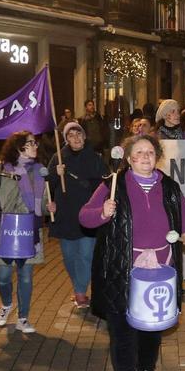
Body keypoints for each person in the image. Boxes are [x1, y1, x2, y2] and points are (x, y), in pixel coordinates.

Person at [79, 135, 185, 371]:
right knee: (121, 327)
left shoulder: (168, 186)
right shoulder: (113, 185)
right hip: (123, 267)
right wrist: (103, 212)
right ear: (129, 158)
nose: (145, 157)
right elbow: (85, 216)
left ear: (157, 156)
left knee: (152, 326)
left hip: (160, 265)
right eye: (139, 152)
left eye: (150, 152)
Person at [0, 131, 55, 334]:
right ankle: (6, 304)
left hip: (29, 229)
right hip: (4, 229)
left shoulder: (39, 171)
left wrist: (47, 207)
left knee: (26, 277)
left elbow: (41, 205)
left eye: (35, 142)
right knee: (3, 276)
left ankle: (23, 318)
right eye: (30, 143)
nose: (35, 146)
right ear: (17, 147)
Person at [47, 122, 108, 308]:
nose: (76, 138)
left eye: (79, 134)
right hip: (66, 215)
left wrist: (89, 186)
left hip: (88, 215)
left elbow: (105, 181)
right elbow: (48, 186)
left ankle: (80, 292)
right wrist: (56, 175)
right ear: (66, 139)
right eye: (71, 135)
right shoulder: (58, 157)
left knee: (86, 255)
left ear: (84, 136)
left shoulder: (94, 157)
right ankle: (78, 287)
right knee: (69, 256)